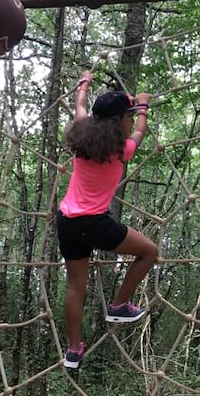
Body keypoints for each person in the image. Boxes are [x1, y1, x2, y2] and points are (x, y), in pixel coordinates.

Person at [57, 70, 158, 368]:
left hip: (66, 220)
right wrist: (143, 105)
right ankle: (118, 305)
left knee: (75, 287)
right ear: (119, 120)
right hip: (94, 223)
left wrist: (84, 83)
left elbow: (80, 106)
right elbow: (140, 131)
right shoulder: (120, 149)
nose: (131, 120)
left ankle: (73, 350)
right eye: (127, 115)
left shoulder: (81, 134)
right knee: (149, 251)